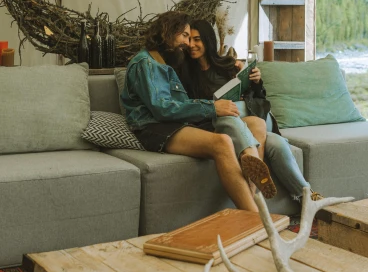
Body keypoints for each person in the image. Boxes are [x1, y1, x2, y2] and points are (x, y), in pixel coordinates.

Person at [120, 11, 277, 213]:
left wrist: (216, 106)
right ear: (168, 30)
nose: (187, 43)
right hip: (155, 128)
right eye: (184, 35)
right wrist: (211, 107)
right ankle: (255, 218)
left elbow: (182, 103)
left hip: (177, 122)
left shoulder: (164, 63)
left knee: (253, 123)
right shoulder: (145, 63)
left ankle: (251, 186)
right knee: (222, 142)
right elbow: (162, 109)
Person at [181, 19, 322, 203]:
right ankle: (254, 196)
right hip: (220, 124)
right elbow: (189, 106)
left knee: (278, 145)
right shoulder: (185, 72)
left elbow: (255, 97)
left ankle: (308, 197)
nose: (191, 45)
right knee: (257, 123)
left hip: (245, 120)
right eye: (189, 39)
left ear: (208, 40)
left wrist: (255, 81)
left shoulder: (228, 65)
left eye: (197, 39)